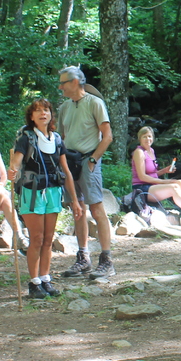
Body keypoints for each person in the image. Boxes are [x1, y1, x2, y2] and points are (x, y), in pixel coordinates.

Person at [8, 98, 83, 299]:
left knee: (48, 239)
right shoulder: (26, 138)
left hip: (53, 192)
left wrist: (75, 201)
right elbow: (17, 161)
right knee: (37, 238)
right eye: (38, 110)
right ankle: (34, 282)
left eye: (46, 110)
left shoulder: (57, 139)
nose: (43, 113)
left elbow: (65, 170)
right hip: (32, 192)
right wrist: (12, 171)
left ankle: (45, 279)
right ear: (31, 116)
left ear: (51, 115)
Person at [56, 67, 115, 279]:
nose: (60, 87)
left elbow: (107, 136)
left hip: (89, 161)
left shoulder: (95, 103)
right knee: (77, 209)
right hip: (70, 162)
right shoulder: (64, 107)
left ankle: (107, 261)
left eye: (63, 82)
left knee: (96, 209)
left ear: (75, 82)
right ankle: (83, 259)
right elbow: (61, 137)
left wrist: (93, 160)